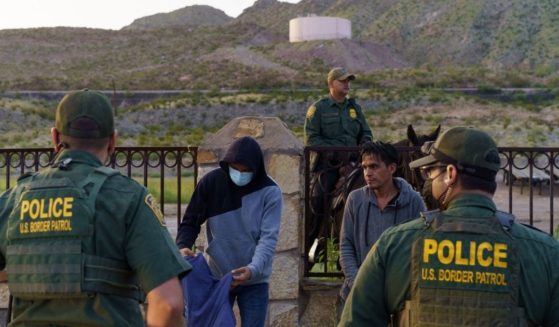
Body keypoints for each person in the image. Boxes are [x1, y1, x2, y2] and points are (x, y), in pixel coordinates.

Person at [0, 89, 191, 326]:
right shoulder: (129, 198)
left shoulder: (13, 199)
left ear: (55, 137)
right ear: (113, 140)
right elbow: (168, 304)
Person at [338, 126, 559, 326]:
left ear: (450, 174)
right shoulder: (546, 253)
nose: (428, 180)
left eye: (431, 172)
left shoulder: (394, 245)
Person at [176, 136, 283, 327]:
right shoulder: (211, 183)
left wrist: (252, 270)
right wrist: (183, 246)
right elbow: (190, 220)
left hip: (255, 281)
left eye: (246, 170)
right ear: (227, 164)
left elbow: (268, 239)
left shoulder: (271, 192)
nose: (240, 174)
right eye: (235, 168)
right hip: (217, 276)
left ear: (256, 169)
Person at [337, 141, 425, 317]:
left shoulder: (414, 201)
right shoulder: (355, 200)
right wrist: (358, 284)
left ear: (391, 168)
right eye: (365, 167)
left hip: (399, 299)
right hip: (357, 296)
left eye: (374, 167)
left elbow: (421, 248)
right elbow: (346, 246)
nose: (368, 173)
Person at [304, 67, 373, 255]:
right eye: (342, 81)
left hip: (354, 162)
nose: (346, 84)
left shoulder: (354, 108)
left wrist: (364, 147)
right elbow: (312, 138)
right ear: (331, 83)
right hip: (329, 165)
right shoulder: (318, 109)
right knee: (318, 196)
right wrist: (333, 153)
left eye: (348, 81)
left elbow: (366, 133)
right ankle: (310, 242)